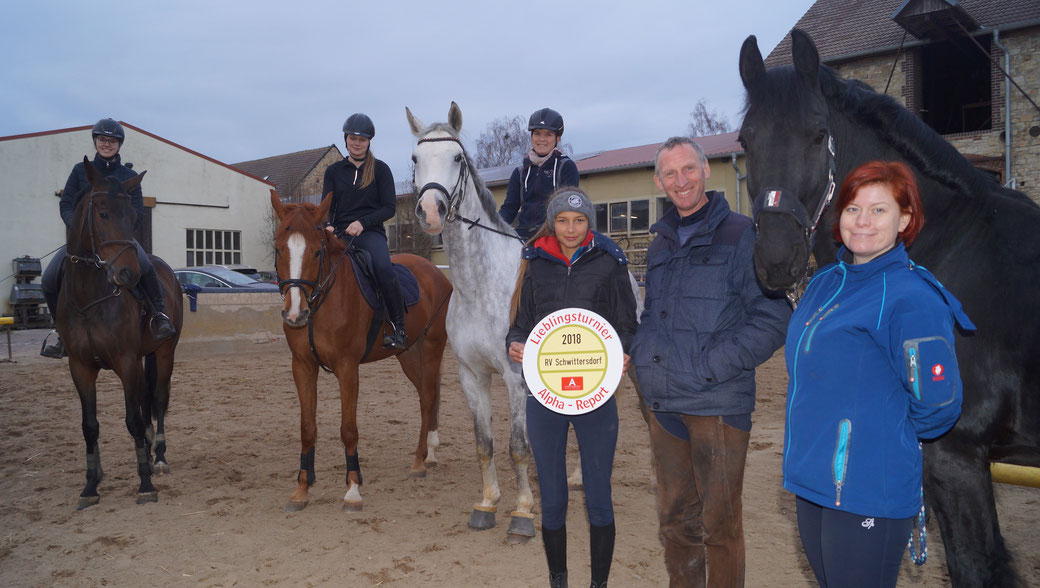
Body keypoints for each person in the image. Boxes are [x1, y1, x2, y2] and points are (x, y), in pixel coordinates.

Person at [783, 160, 973, 588]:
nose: (862, 221)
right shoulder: (826, 282)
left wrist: (881, 436)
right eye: (853, 209)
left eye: (879, 210)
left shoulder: (911, 297)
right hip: (812, 479)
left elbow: (939, 406)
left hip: (868, 487)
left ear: (905, 218)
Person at [631, 136, 791, 587]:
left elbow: (773, 318)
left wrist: (711, 365)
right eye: (670, 173)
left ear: (706, 170)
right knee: (675, 521)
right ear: (659, 181)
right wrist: (641, 355)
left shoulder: (742, 234)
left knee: (720, 526)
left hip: (717, 404)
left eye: (688, 170)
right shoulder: (660, 242)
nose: (680, 181)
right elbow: (652, 315)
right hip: (663, 404)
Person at [507, 188, 637, 588]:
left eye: (579, 221)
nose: (571, 228)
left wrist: (625, 351)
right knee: (554, 497)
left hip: (595, 394)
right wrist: (514, 343)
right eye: (562, 220)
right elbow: (520, 323)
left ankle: (599, 583)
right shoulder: (534, 262)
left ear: (589, 224)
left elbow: (627, 323)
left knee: (598, 495)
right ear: (552, 222)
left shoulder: (609, 261)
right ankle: (558, 581)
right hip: (544, 395)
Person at [41, 118, 176, 358]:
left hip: (118, 241)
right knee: (49, 278)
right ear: (95, 141)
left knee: (145, 267)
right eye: (103, 139)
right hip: (82, 243)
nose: (107, 144)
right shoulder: (80, 171)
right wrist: (76, 229)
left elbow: (136, 209)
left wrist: (123, 231)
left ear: (119, 145)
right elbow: (66, 204)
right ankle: (62, 333)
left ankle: (159, 315)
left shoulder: (128, 175)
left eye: (112, 141)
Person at [322, 113, 405, 349]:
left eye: (362, 139)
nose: (357, 143)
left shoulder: (380, 170)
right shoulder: (333, 171)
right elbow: (327, 205)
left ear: (369, 142)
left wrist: (363, 222)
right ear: (346, 139)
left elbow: (389, 207)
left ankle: (398, 327)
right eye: (353, 138)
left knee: (382, 266)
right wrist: (328, 224)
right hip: (339, 233)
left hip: (370, 233)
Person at [498, 108, 579, 240]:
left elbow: (567, 208)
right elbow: (509, 209)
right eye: (537, 133)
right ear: (531, 136)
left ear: (557, 138)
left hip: (553, 235)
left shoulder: (566, 167)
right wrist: (492, 224)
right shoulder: (519, 172)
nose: (542, 139)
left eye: (548, 134)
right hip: (523, 235)